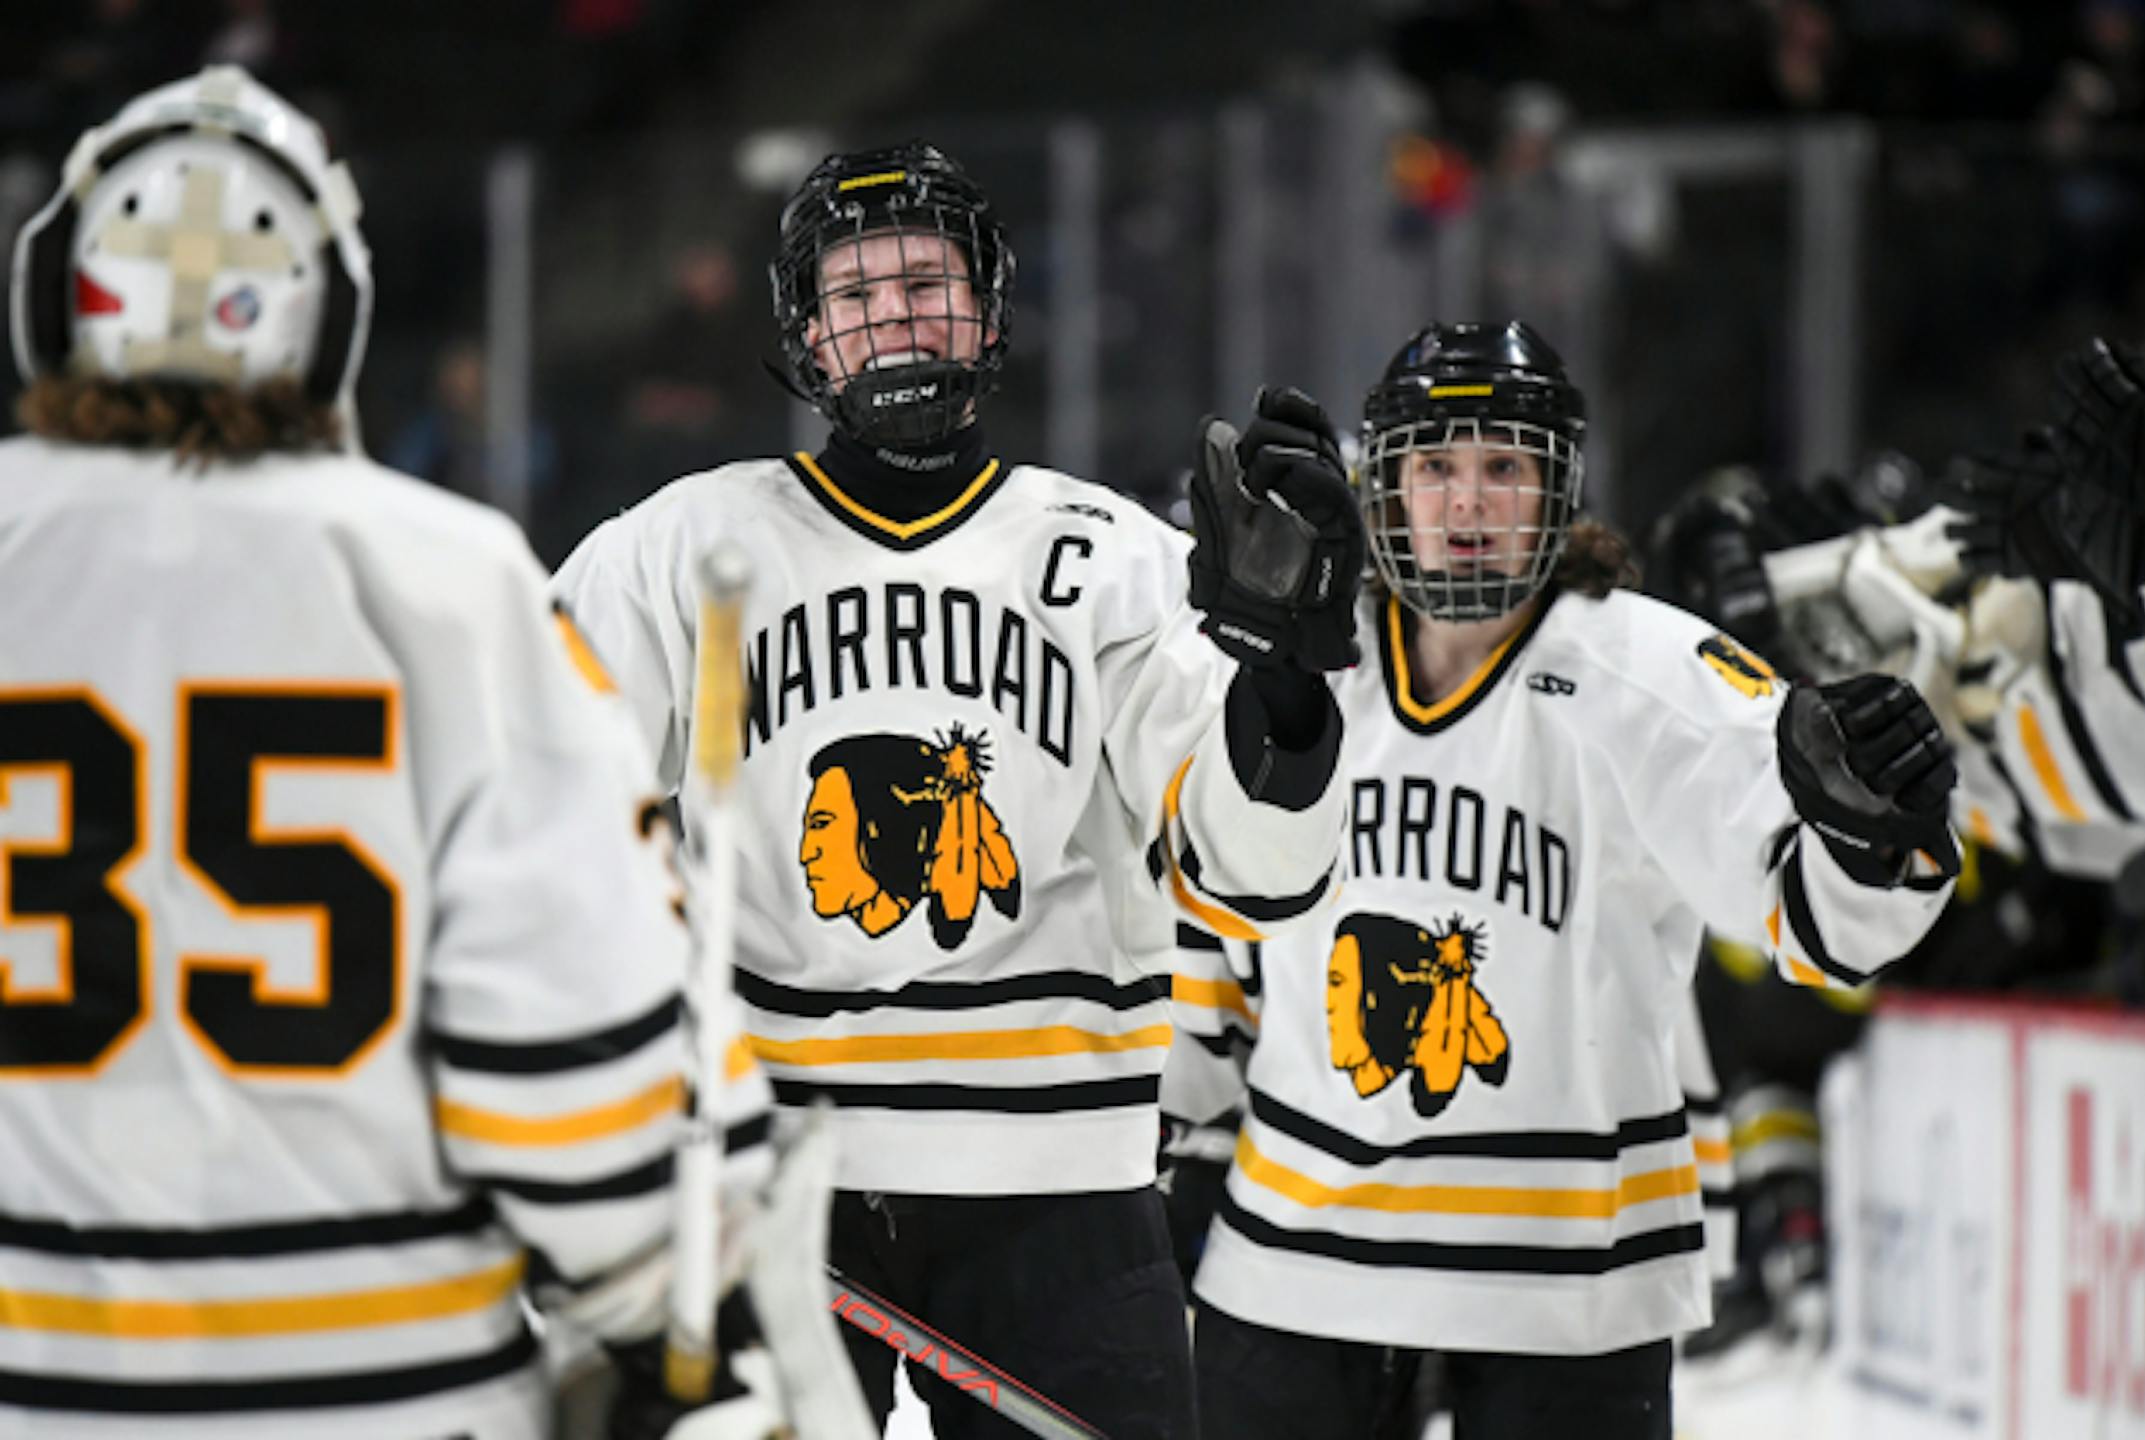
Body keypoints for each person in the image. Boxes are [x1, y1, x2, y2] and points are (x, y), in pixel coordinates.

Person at [0, 66, 770, 1439]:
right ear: (325, 317)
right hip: (393, 1390)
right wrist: (673, 1296)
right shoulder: (449, 580)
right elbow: (580, 1080)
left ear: (56, 296)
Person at [550, 141, 1362, 1439]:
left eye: (925, 284)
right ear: (804, 335)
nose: (896, 320)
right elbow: (542, 835)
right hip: (768, 1188)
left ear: (989, 308)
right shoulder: (673, 556)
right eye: (857, 295)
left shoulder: (1114, 564)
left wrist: (1287, 681)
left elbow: (1261, 862)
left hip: (1061, 1199)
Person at [1175, 321, 1960, 1440]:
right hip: (1297, 1266)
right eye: (1435, 467)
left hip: (1568, 1284)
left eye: (1505, 467)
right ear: (1381, 484)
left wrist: (1875, 835)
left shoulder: (1649, 670)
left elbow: (1812, 920)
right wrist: (1177, 1148)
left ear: (1559, 489)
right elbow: (1208, 920)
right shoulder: (1304, 664)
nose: (1468, 503)